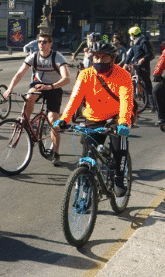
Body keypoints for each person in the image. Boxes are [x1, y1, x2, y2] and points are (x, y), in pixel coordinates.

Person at [54, 39, 134, 199]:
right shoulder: (86, 74)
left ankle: (119, 178)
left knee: (120, 145)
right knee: (87, 150)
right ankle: (87, 185)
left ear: (112, 58)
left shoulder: (123, 75)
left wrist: (123, 122)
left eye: (104, 57)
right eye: (96, 57)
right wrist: (64, 119)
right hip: (94, 116)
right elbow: (75, 99)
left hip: (116, 117)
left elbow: (126, 101)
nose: (99, 61)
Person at [5, 29, 70, 165]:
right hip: (39, 85)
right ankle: (26, 122)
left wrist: (51, 86)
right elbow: (19, 74)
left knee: (53, 120)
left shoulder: (57, 57)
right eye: (39, 42)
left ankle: (56, 154)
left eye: (44, 42)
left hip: (54, 87)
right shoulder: (33, 56)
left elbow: (67, 78)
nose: (41, 44)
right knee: (29, 96)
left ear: (50, 44)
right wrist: (10, 88)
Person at [122, 25, 154, 108]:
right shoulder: (134, 43)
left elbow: (149, 54)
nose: (130, 36)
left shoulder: (144, 42)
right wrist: (126, 63)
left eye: (131, 35)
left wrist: (143, 59)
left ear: (133, 34)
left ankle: (152, 105)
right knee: (131, 82)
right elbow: (130, 54)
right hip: (135, 65)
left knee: (147, 85)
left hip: (143, 66)